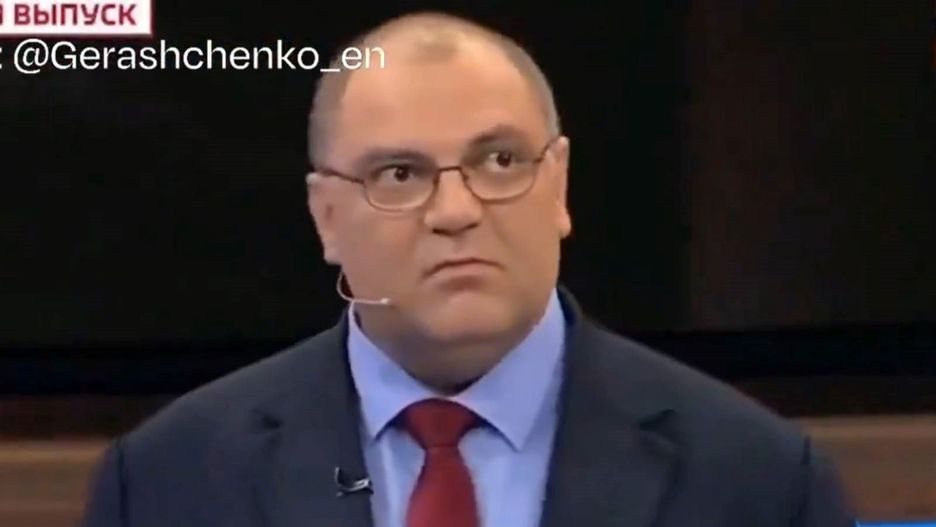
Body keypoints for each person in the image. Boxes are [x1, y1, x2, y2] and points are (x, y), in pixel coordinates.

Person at [79, 10, 856, 527]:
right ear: (327, 217)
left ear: (559, 184)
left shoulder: (760, 480)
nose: (456, 210)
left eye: (500, 160)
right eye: (399, 174)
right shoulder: (167, 481)